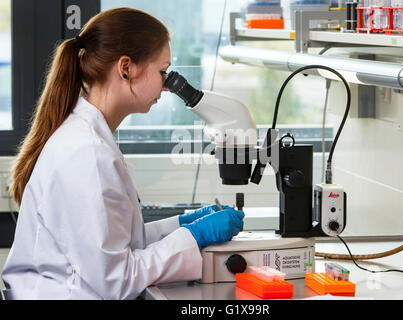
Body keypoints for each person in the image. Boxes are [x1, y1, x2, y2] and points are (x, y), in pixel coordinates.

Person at [1, 7, 244, 300]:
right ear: (126, 68)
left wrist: (181, 224)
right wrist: (194, 236)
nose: (167, 85)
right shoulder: (87, 154)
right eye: (162, 71)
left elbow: (117, 243)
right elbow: (115, 279)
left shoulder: (88, 137)